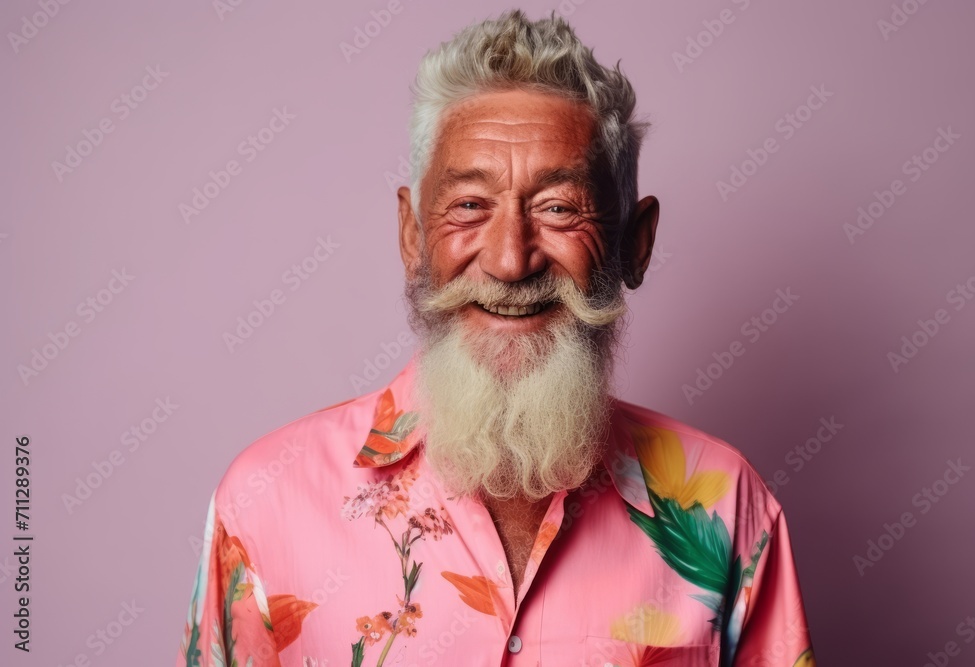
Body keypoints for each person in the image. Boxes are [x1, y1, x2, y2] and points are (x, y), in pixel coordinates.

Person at [176, 9, 815, 667]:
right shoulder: (265, 504)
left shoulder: (730, 508)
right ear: (412, 235)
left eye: (559, 208)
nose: (512, 260)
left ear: (636, 243)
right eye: (470, 206)